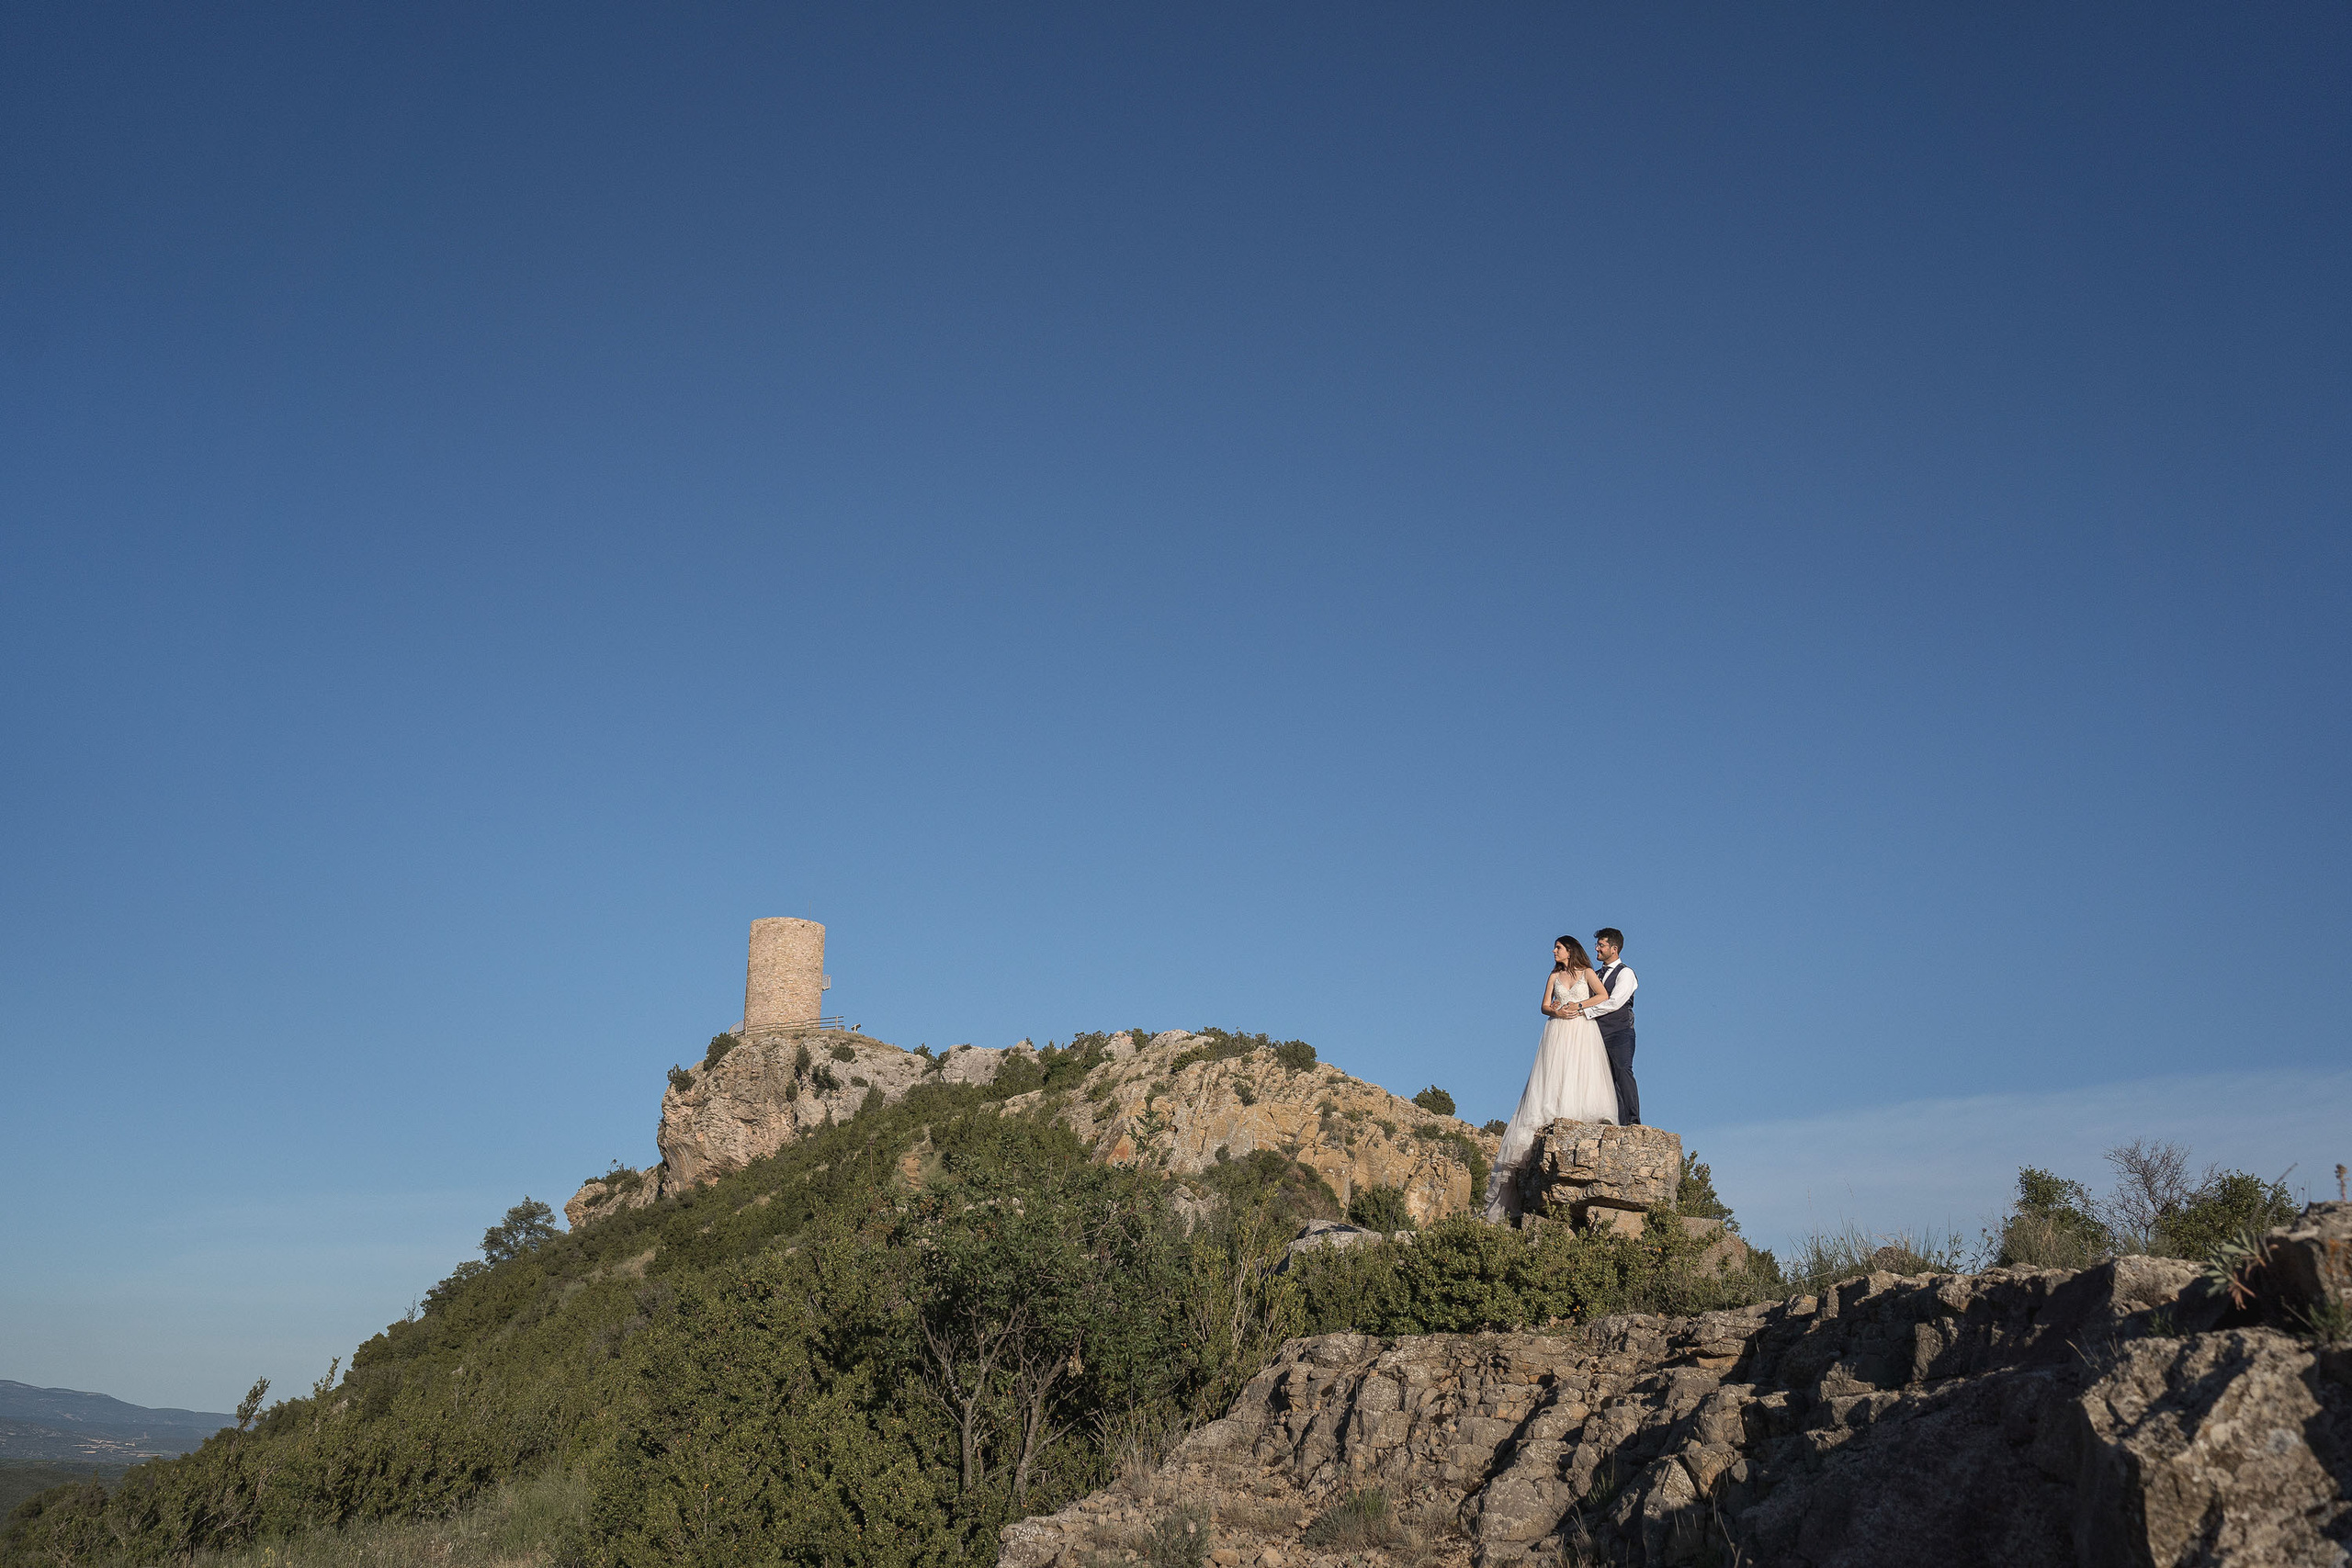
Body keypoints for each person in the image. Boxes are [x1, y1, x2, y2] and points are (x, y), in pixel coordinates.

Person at [1482, 935, 1619, 1222]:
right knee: (1552, 1073)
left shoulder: (1587, 972)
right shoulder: (1554, 975)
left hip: (1581, 1028)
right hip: (1556, 1029)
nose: (1553, 951)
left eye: (1558, 947)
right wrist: (1555, 1009)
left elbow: (1603, 996)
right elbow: (1543, 1005)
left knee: (1580, 1069)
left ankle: (1578, 1113)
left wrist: (1579, 1006)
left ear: (1569, 950)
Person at [1577, 928, 1639, 1127]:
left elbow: (1615, 1002)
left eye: (1601, 945)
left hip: (1620, 1031)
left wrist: (1585, 1012)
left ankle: (1632, 1121)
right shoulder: (1594, 975)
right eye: (1597, 945)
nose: (1596, 949)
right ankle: (1611, 1120)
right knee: (1603, 1079)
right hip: (1596, 1033)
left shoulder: (1626, 973)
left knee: (1623, 1072)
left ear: (1614, 949)